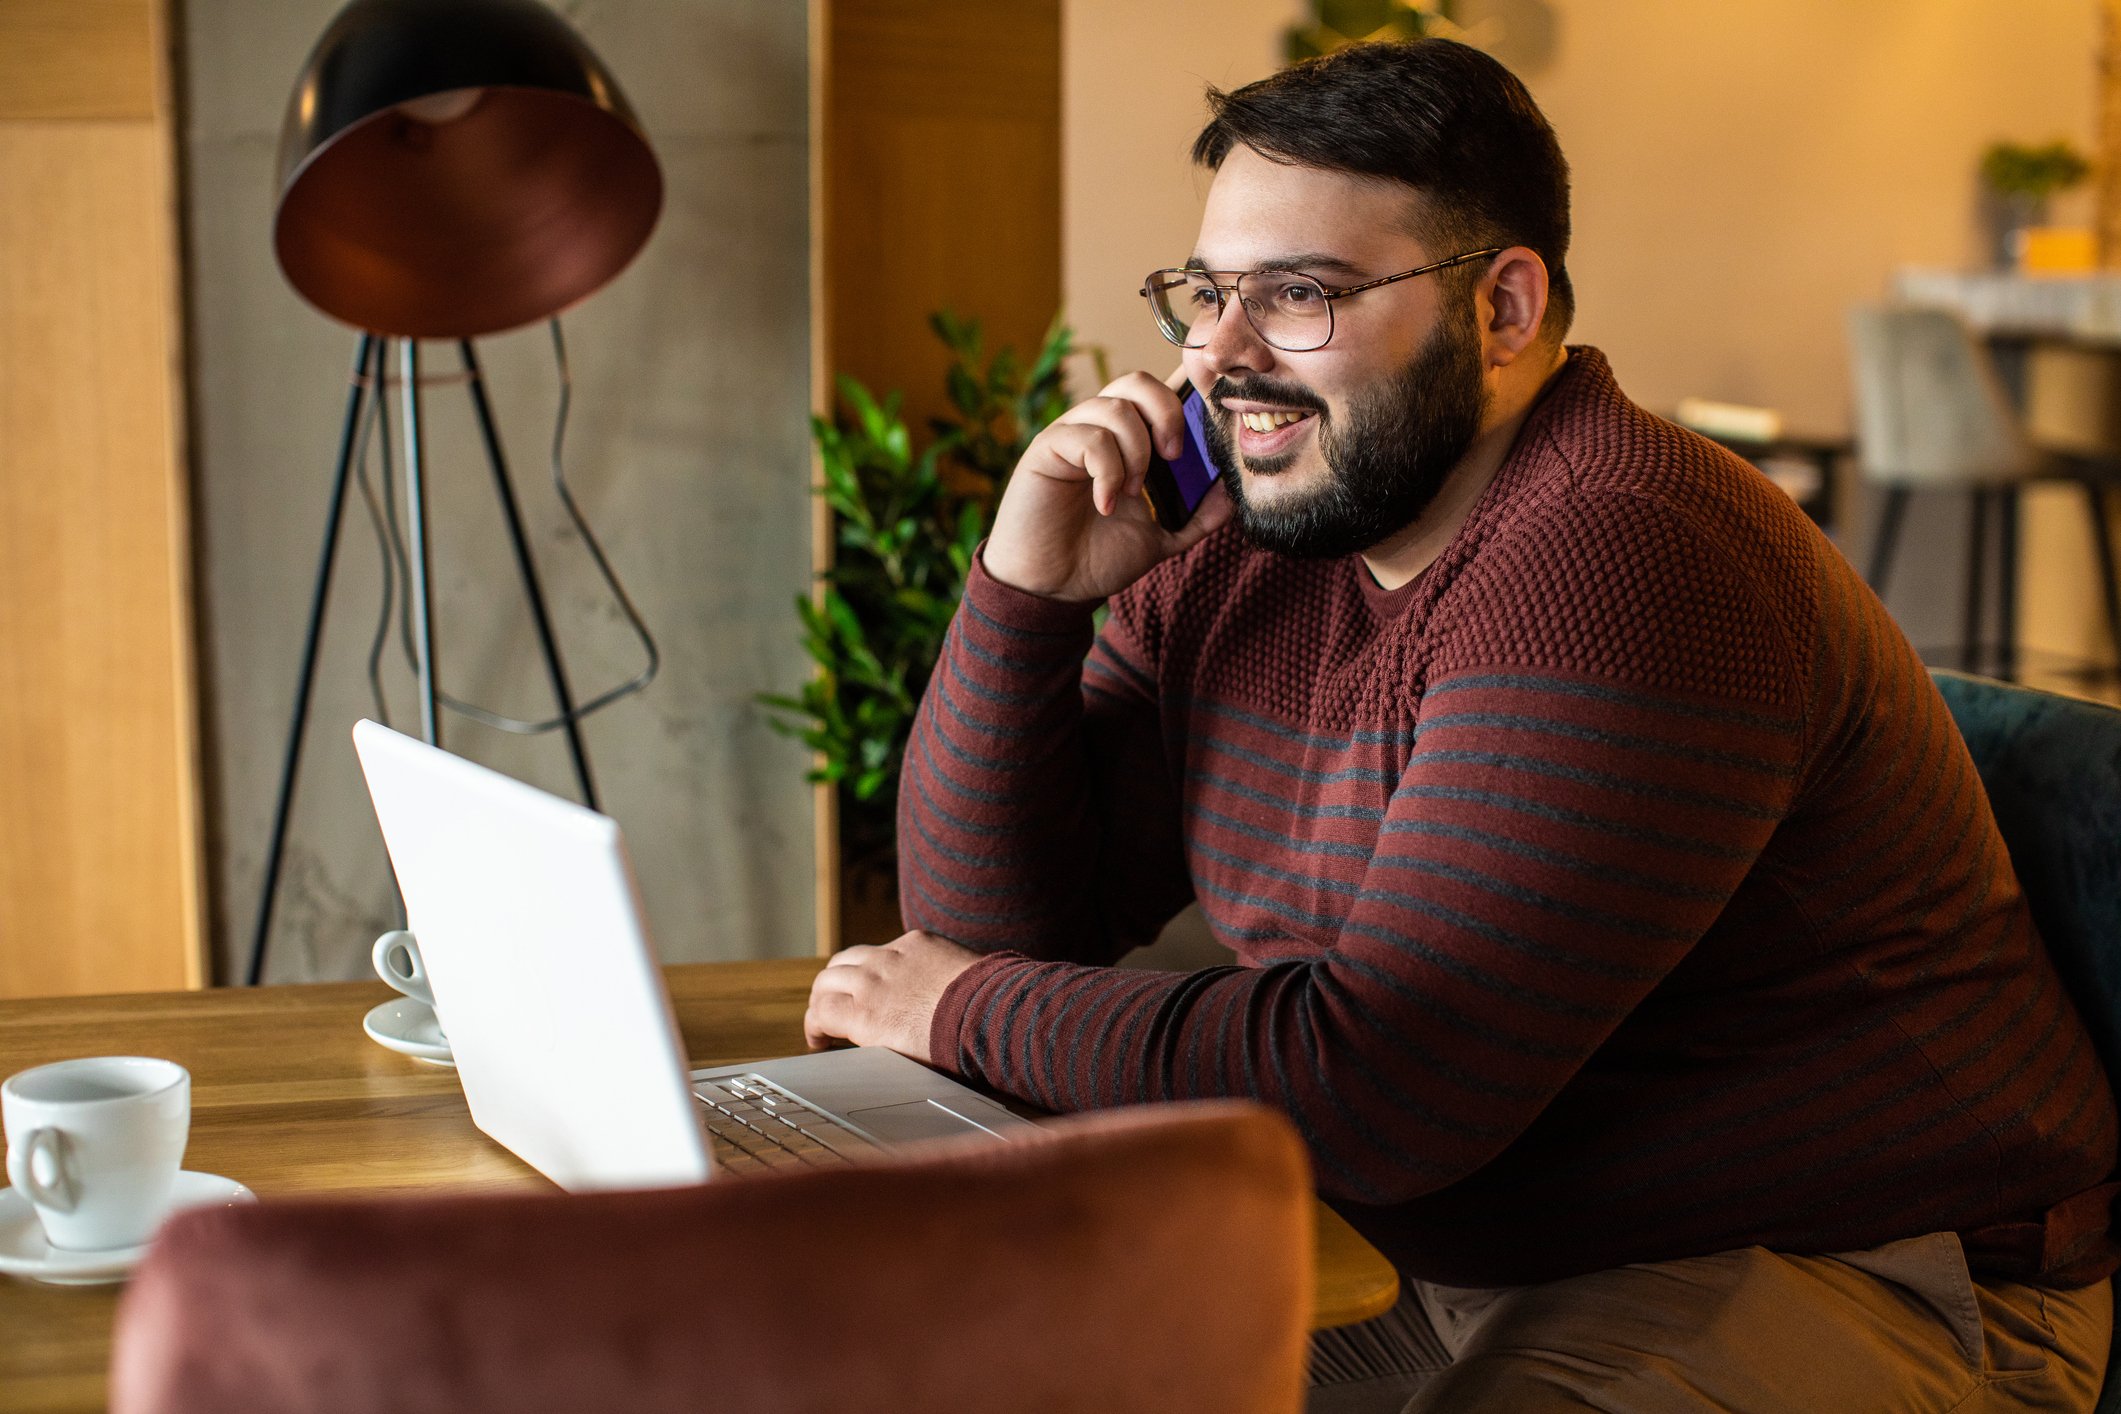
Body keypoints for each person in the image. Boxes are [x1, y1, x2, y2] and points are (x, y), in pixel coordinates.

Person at [801, 37, 2119, 1413]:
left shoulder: (1624, 555)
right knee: (925, 1359)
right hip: (1438, 1250)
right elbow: (997, 933)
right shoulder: (1250, 535)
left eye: (1296, 295)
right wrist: (1023, 597)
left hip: (1851, 1277)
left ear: (1500, 307)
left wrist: (957, 1005)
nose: (1220, 358)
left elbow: (1378, 1090)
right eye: (1206, 293)